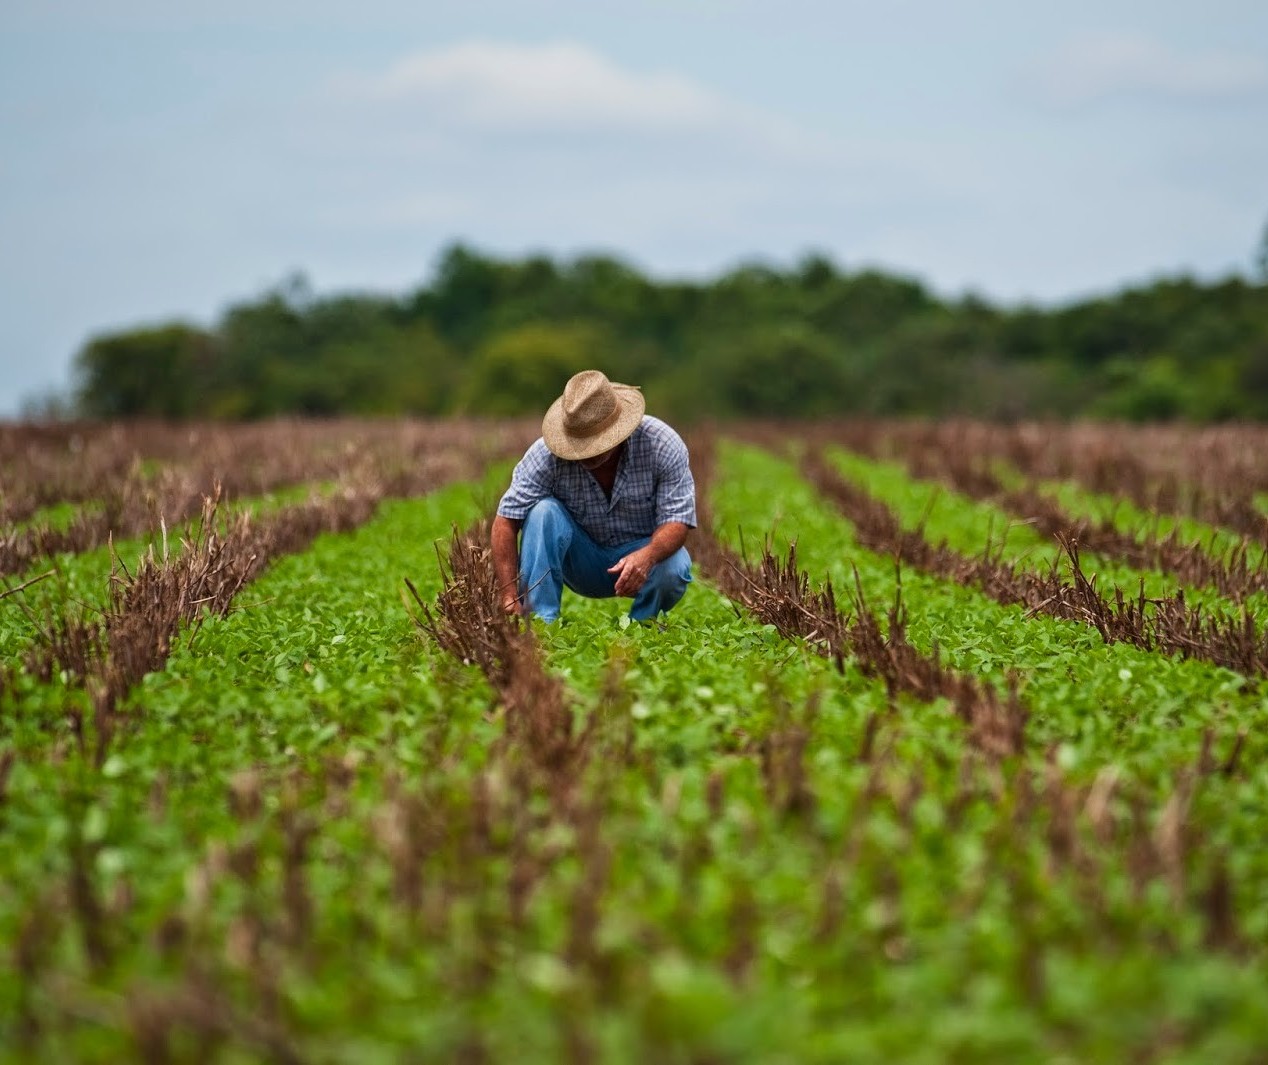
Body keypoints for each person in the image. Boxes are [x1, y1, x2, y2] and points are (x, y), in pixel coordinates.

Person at [492, 369, 696, 623]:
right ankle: (539, 623)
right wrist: (509, 595)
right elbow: (505, 520)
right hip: (581, 561)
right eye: (581, 444)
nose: (588, 454)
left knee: (674, 565)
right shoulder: (545, 456)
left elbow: (677, 520)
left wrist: (648, 555)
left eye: (596, 442)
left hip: (641, 554)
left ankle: (644, 624)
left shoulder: (662, 445)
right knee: (543, 512)